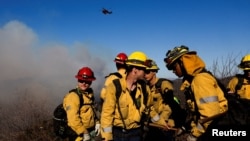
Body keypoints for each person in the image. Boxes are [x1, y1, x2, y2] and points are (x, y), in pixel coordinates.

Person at [101, 51, 170, 141]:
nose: (145, 73)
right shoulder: (115, 87)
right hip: (118, 134)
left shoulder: (145, 89)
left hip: (136, 133)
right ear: (135, 70)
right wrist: (106, 138)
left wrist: (162, 123)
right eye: (144, 70)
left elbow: (150, 110)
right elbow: (107, 114)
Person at [163, 45, 228, 141]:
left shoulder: (200, 80)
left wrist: (193, 136)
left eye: (174, 66)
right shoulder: (193, 81)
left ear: (183, 62)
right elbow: (199, 115)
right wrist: (186, 127)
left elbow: (209, 116)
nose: (173, 71)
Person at [63, 67, 100, 141]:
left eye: (87, 81)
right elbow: (73, 119)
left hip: (89, 133)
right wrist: (84, 132)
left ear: (91, 82)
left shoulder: (89, 95)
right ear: (78, 80)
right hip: (78, 136)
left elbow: (94, 111)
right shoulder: (73, 96)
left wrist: (97, 123)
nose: (84, 83)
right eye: (81, 80)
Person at [144, 58, 175, 141]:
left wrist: (162, 121)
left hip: (165, 125)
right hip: (153, 124)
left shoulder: (163, 83)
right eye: (144, 72)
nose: (145, 75)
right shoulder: (145, 87)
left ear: (154, 72)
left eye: (147, 72)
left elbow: (169, 105)